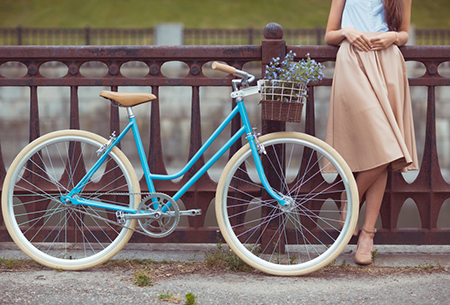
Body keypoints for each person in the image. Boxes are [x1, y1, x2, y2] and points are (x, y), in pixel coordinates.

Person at [324, 0, 418, 265]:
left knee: (385, 148)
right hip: (352, 61)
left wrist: (393, 37)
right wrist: (347, 32)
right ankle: (352, 199)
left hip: (387, 62)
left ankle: (366, 233)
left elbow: (404, 33)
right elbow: (330, 34)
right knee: (385, 143)